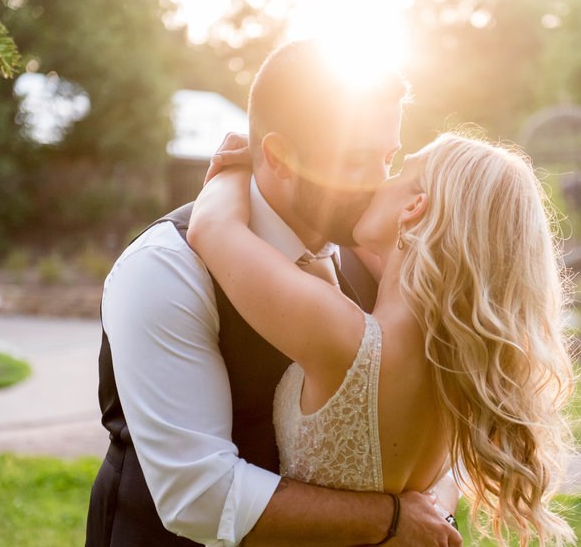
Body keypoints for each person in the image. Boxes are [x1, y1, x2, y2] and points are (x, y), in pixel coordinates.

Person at [85, 39, 461, 547]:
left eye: (388, 157)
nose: (379, 184)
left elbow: (438, 420)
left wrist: (429, 503)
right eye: (355, 162)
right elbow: (197, 495)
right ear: (280, 157)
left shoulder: (381, 255)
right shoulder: (165, 268)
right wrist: (388, 521)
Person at [187, 133, 577, 547]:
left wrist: (244, 165)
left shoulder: (349, 342)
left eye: (400, 170)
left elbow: (212, 227)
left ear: (413, 207)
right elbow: (384, 251)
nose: (377, 182)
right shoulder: (458, 359)